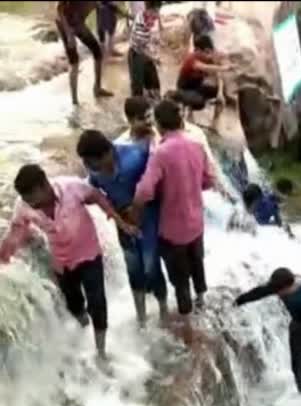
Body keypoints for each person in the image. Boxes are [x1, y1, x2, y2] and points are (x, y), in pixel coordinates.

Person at [0, 165, 138, 360]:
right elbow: (16, 232)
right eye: (27, 201)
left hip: (89, 255)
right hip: (62, 264)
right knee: (75, 306)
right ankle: (84, 334)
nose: (30, 205)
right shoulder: (23, 205)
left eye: (33, 199)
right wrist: (3, 257)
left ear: (44, 186)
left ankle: (101, 351)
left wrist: (119, 221)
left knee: (97, 304)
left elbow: (97, 196)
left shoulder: (72, 187)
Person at [131, 100, 216, 328]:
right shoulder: (196, 145)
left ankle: (188, 322)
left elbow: (144, 191)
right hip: (196, 222)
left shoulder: (161, 153)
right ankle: (201, 300)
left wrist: (135, 212)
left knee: (180, 280)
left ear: (159, 124)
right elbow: (209, 180)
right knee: (197, 263)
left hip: (172, 229)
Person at [76, 129, 169, 329]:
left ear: (108, 152)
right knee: (134, 269)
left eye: (94, 164)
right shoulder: (94, 171)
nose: (92, 169)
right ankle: (141, 319)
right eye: (88, 165)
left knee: (152, 266)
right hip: (123, 223)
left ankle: (163, 311)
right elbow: (95, 190)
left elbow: (156, 163)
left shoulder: (135, 156)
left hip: (148, 217)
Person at [56, 1, 113, 106]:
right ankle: (74, 101)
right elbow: (59, 9)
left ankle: (97, 88)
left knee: (97, 52)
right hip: (64, 24)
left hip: (78, 23)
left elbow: (109, 8)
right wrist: (69, 34)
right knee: (74, 61)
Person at [176, 35, 230, 124]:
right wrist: (224, 68)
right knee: (199, 102)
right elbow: (205, 68)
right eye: (206, 52)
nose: (209, 55)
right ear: (197, 50)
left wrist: (220, 93)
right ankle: (188, 112)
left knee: (220, 95)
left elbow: (219, 75)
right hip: (184, 89)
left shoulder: (209, 57)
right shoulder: (191, 59)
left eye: (210, 52)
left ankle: (215, 122)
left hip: (198, 87)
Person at [128, 0, 162, 100]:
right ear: (149, 10)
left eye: (158, 11)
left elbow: (149, 37)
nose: (157, 15)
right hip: (136, 55)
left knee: (154, 86)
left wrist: (156, 41)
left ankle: (152, 100)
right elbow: (140, 48)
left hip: (145, 52)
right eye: (156, 11)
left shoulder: (145, 16)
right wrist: (154, 58)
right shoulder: (141, 23)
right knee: (138, 90)